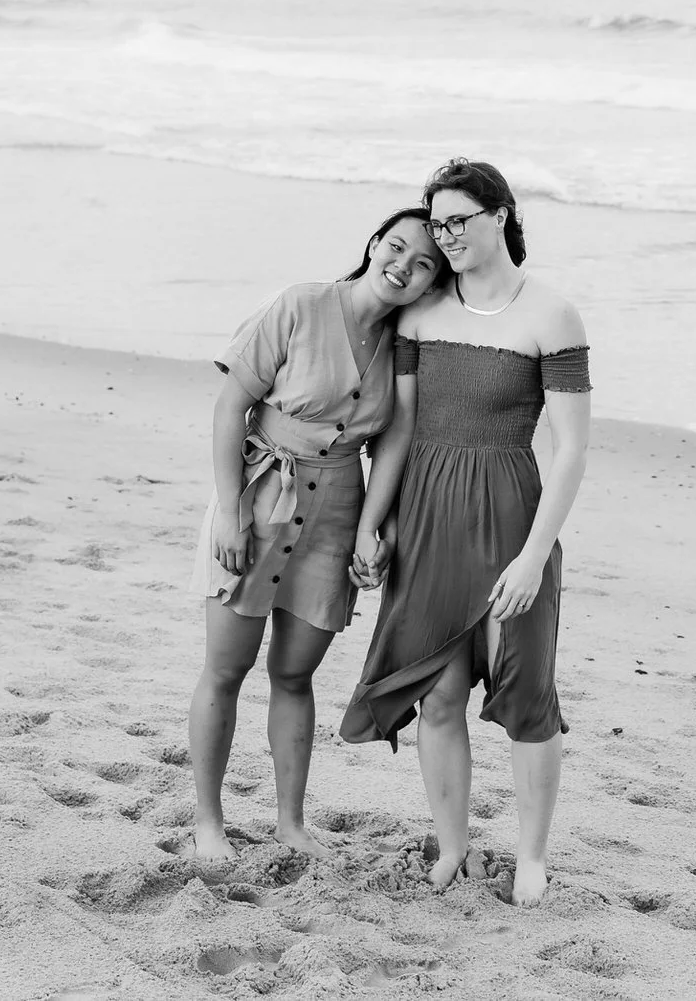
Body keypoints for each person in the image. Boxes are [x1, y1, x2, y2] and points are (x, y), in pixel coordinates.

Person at [341, 159, 591, 908]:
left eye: (458, 220)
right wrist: (371, 526)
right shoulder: (421, 313)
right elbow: (402, 427)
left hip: (515, 515)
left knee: (527, 694)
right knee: (439, 695)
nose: (444, 235)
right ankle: (453, 845)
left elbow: (571, 448)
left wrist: (534, 554)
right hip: (427, 518)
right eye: (436, 219)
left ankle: (532, 856)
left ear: (502, 216)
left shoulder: (551, 313)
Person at [186, 208, 443, 864]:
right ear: (373, 243)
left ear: (429, 283)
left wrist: (367, 533)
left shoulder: (403, 346)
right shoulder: (300, 304)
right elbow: (230, 405)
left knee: (294, 674)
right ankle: (209, 820)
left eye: (422, 265)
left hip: (335, 513)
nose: (403, 267)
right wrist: (230, 511)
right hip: (263, 489)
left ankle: (290, 821)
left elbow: (392, 444)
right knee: (226, 668)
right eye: (397, 247)